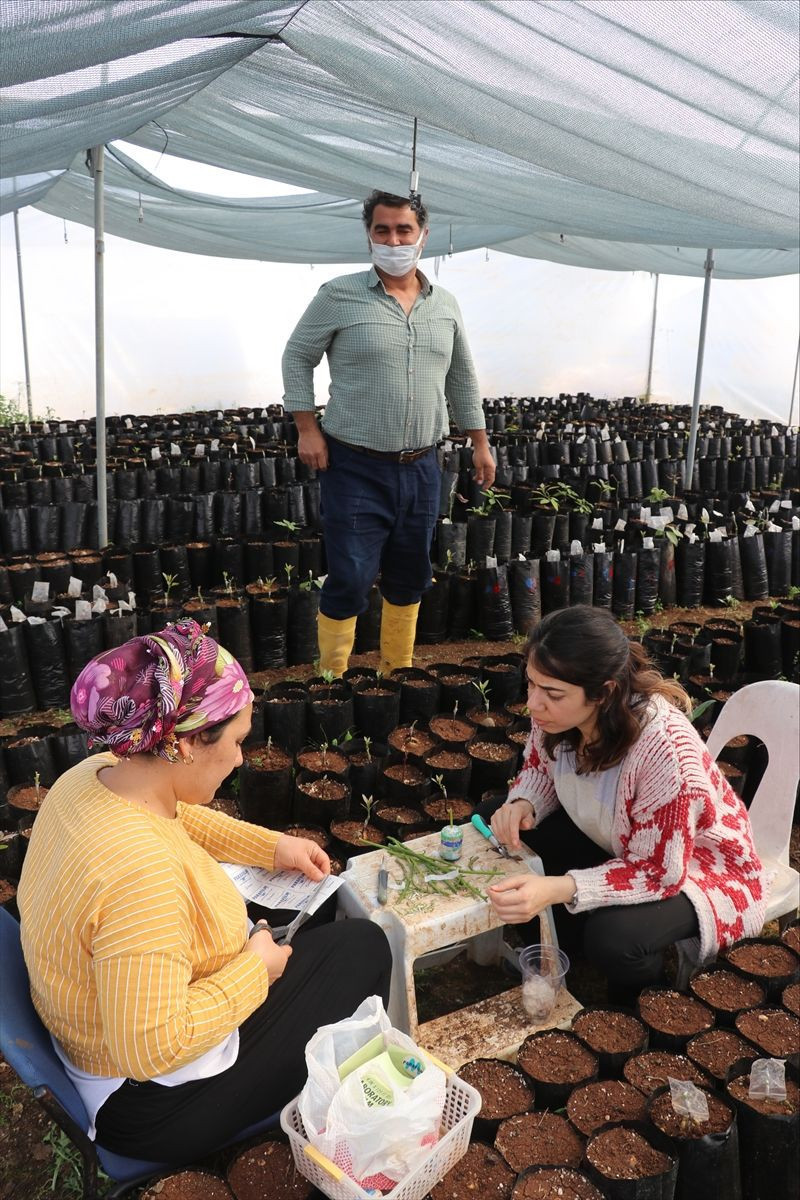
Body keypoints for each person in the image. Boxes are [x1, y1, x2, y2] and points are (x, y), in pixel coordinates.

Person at [17, 620, 391, 1164]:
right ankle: (349, 1114)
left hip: (90, 1027)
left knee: (317, 913)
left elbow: (177, 816)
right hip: (152, 1100)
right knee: (363, 947)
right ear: (187, 744)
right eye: (238, 741)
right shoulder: (140, 875)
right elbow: (150, 1045)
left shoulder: (95, 774)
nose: (242, 759)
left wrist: (271, 848)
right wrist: (254, 971)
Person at [483, 606, 766, 1004]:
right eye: (530, 684)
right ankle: (568, 948)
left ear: (605, 692)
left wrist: (560, 887)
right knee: (495, 820)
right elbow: (540, 768)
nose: (534, 703)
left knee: (614, 938)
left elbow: (659, 870)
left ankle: (641, 1001)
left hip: (700, 867)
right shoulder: (555, 713)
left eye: (551, 693)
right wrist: (524, 801)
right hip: (618, 840)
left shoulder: (666, 752)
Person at [282, 188, 495, 677]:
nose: (394, 239)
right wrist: (306, 427)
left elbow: (461, 376)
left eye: (404, 230)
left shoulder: (445, 305)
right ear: (369, 235)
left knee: (410, 573)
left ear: (423, 236)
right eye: (383, 230)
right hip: (354, 464)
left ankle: (396, 672)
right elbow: (298, 356)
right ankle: (332, 678)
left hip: (422, 465)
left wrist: (480, 443)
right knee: (351, 576)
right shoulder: (339, 296)